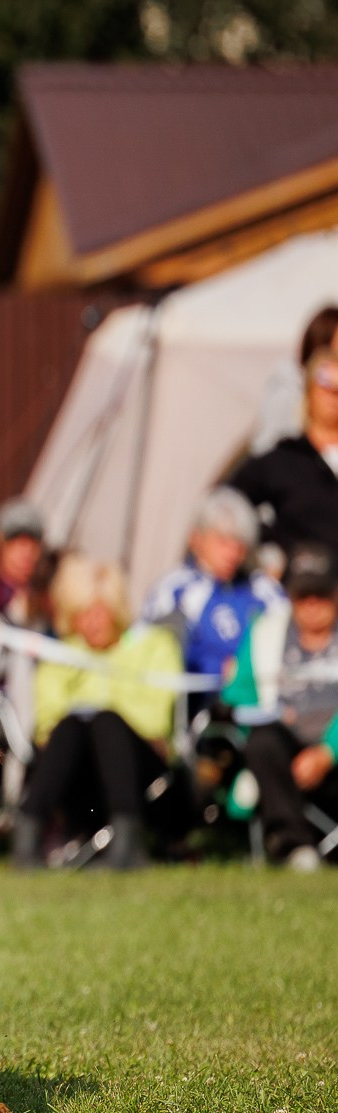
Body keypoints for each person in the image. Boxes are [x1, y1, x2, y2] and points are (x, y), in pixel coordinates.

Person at [14, 556, 183, 870]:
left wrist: (102, 703)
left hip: (140, 767)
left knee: (106, 722)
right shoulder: (63, 654)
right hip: (81, 772)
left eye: (97, 613)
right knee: (71, 726)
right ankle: (27, 836)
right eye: (81, 615)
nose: (91, 623)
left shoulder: (155, 646)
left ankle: (128, 840)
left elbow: (155, 719)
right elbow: (47, 723)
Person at [226, 544, 338, 871]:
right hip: (283, 753)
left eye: (321, 595)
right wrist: (270, 715)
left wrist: (327, 753)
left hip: (332, 751)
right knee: (263, 741)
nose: (312, 606)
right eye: (304, 596)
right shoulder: (266, 632)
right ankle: (294, 847)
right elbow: (237, 698)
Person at [142, 488, 287, 681]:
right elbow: (149, 650)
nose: (232, 554)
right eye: (223, 542)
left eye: (239, 544)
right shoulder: (175, 589)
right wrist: (216, 667)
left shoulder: (264, 589)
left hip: (260, 699)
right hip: (197, 702)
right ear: (196, 538)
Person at [231, 306, 338, 557]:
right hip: (299, 571)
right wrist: (266, 549)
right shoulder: (284, 453)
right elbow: (241, 494)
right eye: (327, 385)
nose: (334, 394)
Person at [0, 498, 49, 630]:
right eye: (18, 543)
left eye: (33, 544)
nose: (26, 553)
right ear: (0, 544)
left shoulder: (46, 603)